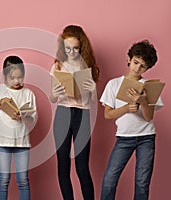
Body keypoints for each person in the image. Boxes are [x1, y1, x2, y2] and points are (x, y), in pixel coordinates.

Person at [100, 40, 163, 200]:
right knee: (109, 180)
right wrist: (126, 108)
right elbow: (108, 114)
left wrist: (142, 101)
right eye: (135, 62)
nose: (137, 68)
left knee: (142, 182)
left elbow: (149, 117)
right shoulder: (114, 84)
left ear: (147, 68)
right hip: (124, 138)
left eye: (142, 66)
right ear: (129, 59)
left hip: (146, 138)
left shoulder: (148, 86)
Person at [49, 25, 99, 200]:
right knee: (63, 165)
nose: (71, 52)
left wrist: (93, 89)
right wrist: (55, 94)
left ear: (82, 46)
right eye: (67, 48)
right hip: (63, 113)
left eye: (75, 48)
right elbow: (53, 98)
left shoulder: (88, 66)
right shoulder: (57, 66)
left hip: (82, 115)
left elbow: (93, 100)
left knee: (82, 166)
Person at [0, 55, 37, 200]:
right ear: (4, 75)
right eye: (12, 77)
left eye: (20, 77)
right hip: (2, 142)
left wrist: (24, 116)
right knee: (3, 180)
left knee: (23, 180)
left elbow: (31, 119)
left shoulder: (28, 93)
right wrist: (0, 103)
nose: (17, 81)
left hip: (22, 142)